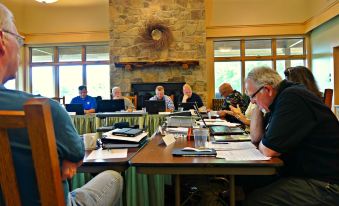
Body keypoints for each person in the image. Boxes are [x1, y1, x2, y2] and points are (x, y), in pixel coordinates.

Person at [0, 3, 123, 206]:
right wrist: (66, 157)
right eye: (19, 39)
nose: (21, 46)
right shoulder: (44, 109)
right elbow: (76, 152)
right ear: (2, 42)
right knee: (113, 177)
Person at [243, 66, 339, 205]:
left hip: (326, 183)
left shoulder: (292, 97)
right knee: (248, 182)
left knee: (256, 201)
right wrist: (259, 104)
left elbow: (269, 149)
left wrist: (265, 143)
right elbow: (256, 138)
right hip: (305, 174)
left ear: (268, 90)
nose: (251, 101)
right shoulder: (278, 99)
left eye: (252, 96)